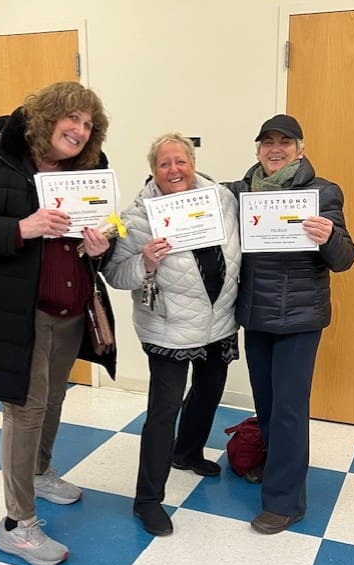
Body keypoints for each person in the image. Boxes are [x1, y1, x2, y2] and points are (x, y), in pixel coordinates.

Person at [0, 81, 116, 565]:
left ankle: (40, 473)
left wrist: (103, 245)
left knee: (54, 397)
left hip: (70, 307)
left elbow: (107, 227)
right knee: (26, 410)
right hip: (15, 312)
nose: (80, 131)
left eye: (89, 124)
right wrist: (21, 228)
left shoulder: (90, 166)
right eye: (73, 119)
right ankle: (17, 525)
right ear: (48, 116)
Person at [226, 114, 354, 535]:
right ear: (258, 149)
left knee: (288, 409)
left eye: (285, 142)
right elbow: (198, 201)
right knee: (266, 404)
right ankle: (273, 464)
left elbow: (345, 258)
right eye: (267, 142)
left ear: (300, 149)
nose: (275, 149)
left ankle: (286, 502)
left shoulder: (322, 192)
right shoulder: (240, 192)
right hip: (256, 315)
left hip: (300, 319)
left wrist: (329, 237)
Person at [104, 133, 240, 536]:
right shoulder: (136, 218)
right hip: (168, 325)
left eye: (181, 161)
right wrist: (145, 262)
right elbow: (115, 274)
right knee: (163, 412)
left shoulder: (222, 199)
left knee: (209, 391)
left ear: (192, 163)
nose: (174, 170)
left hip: (219, 320)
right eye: (164, 164)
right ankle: (147, 500)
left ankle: (188, 452)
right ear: (153, 170)